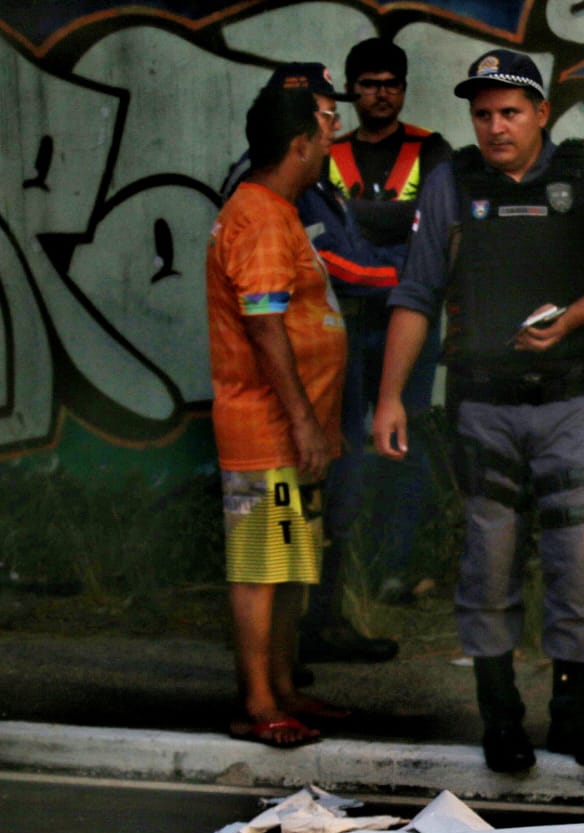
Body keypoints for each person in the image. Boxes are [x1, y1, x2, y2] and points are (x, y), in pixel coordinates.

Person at [371, 49, 584, 772]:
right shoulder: (450, 183)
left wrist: (568, 322)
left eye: (509, 112)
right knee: (488, 561)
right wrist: (388, 400)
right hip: (481, 404)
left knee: (579, 563)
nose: (495, 127)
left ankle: (571, 712)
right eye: (482, 114)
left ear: (539, 114)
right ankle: (501, 718)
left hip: (567, 400)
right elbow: (416, 293)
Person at [205, 85, 346, 747]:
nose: (329, 143)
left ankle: (284, 688)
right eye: (322, 133)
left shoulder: (276, 210)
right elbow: (264, 327)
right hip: (268, 427)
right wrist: (302, 421)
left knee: (288, 566)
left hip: (289, 428)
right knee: (263, 568)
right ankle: (258, 703)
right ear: (298, 146)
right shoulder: (259, 216)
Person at [308, 37, 452, 630]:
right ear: (352, 89)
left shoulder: (430, 148)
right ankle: (340, 573)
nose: (380, 93)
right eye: (368, 83)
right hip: (342, 319)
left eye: (390, 82)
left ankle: (392, 566)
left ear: (404, 86)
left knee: (404, 442)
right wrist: (399, 222)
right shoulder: (326, 150)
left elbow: (437, 223)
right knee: (341, 443)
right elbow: (322, 229)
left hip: (408, 319)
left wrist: (359, 222)